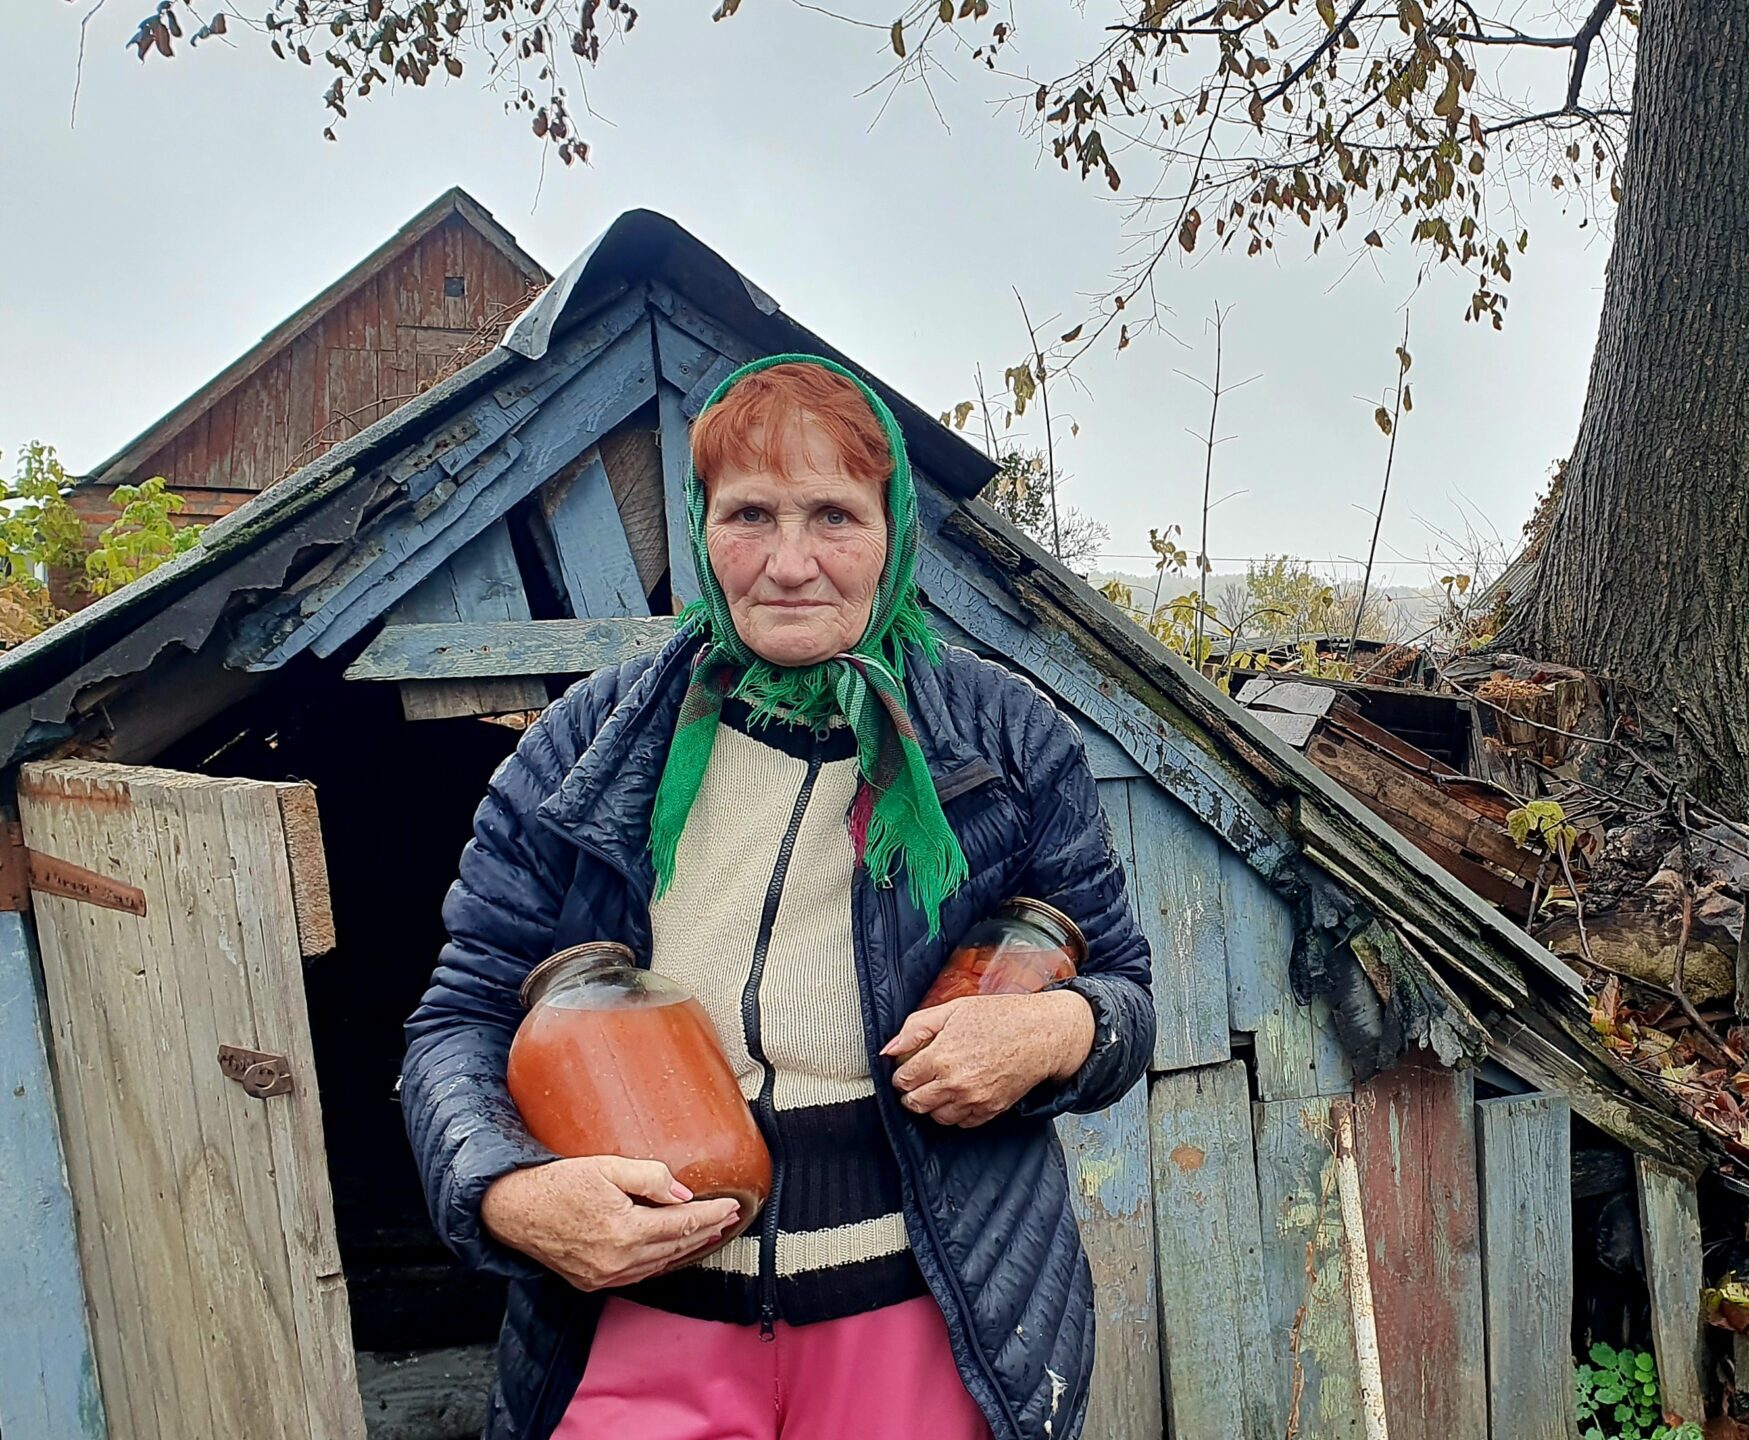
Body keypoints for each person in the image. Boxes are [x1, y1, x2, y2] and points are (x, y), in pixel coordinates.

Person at [401, 353, 1155, 1440]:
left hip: (919, 1326)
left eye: (835, 516)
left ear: (894, 531)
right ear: (701, 527)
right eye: (750, 512)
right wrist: (506, 1195)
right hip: (632, 1322)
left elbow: (1125, 994)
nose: (791, 563)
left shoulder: (1006, 738)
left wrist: (1055, 1027)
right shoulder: (589, 746)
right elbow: (463, 1018)